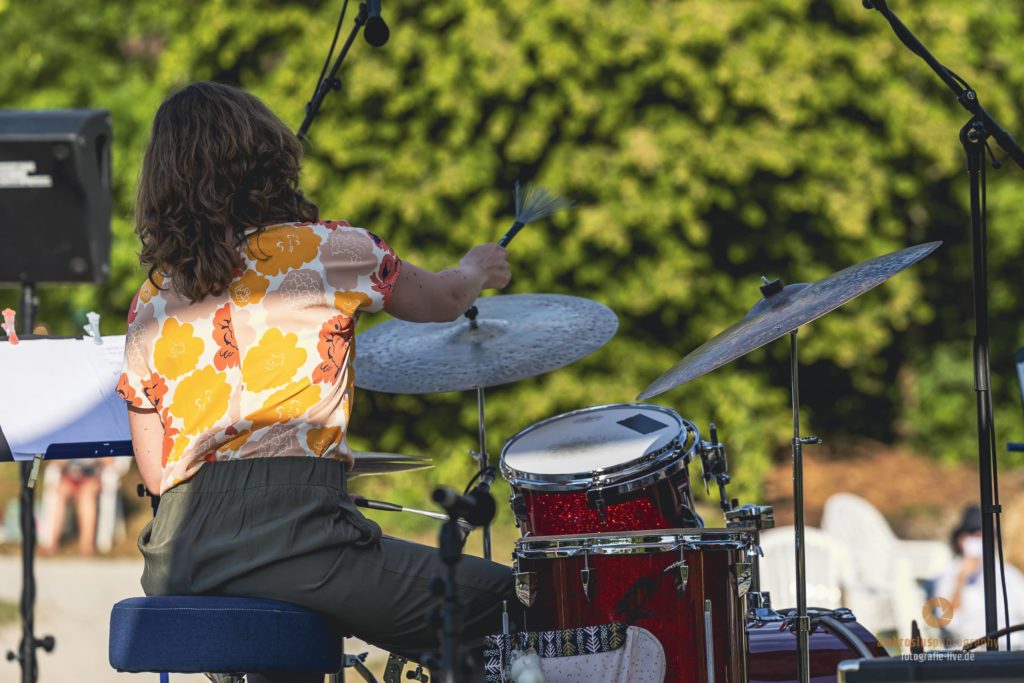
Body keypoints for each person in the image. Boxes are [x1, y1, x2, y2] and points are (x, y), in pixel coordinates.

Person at [117, 81, 515, 678]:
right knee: (506, 602)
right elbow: (445, 300)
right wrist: (476, 266)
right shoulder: (330, 251)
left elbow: (154, 472)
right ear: (267, 158)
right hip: (301, 542)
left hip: (179, 558)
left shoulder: (149, 300)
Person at [933, 505, 1024, 650]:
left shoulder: (1009, 574)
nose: (977, 540)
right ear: (960, 540)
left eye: (982, 535)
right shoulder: (949, 575)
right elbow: (948, 622)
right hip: (972, 650)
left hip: (1012, 649)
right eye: (972, 535)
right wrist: (960, 581)